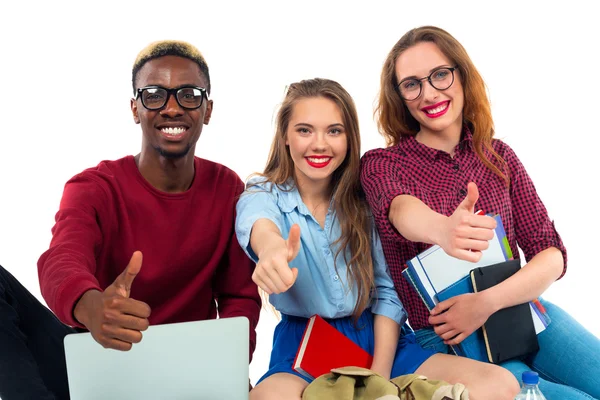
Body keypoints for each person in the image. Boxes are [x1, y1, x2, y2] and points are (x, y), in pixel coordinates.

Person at [0, 40, 261, 400]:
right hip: (100, 364)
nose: (171, 108)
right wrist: (90, 306)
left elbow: (239, 296)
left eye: (188, 94)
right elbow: (62, 258)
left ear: (208, 109)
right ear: (136, 108)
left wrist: (230, 368)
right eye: (154, 94)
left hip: (187, 375)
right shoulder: (94, 187)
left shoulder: (227, 188)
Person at [235, 77, 518, 400]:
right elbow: (259, 226)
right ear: (285, 135)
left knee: (501, 384)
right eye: (304, 130)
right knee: (266, 398)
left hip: (381, 339)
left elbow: (387, 292)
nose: (319, 144)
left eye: (334, 131)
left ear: (349, 138)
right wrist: (271, 251)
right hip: (305, 344)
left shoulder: (364, 198)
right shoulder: (263, 195)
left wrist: (380, 380)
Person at [360, 25, 600, 400]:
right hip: (451, 334)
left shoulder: (498, 156)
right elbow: (400, 210)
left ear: (461, 74)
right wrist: (443, 229)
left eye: (440, 74)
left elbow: (550, 253)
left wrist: (487, 303)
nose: (429, 93)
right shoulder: (382, 164)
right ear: (400, 97)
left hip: (522, 311)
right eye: (412, 84)